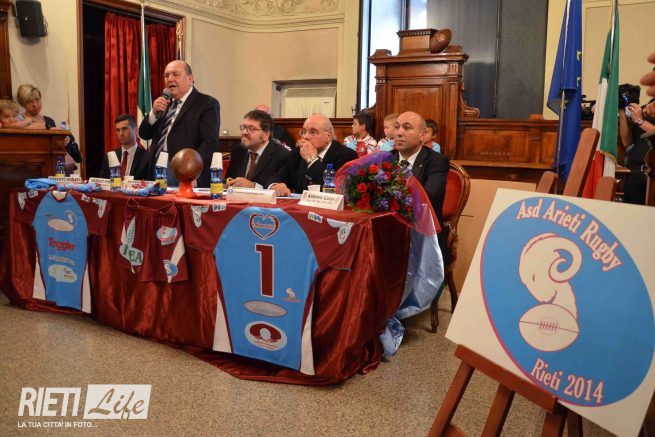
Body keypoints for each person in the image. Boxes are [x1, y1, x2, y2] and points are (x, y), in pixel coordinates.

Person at [139, 60, 220, 187]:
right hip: (156, 167)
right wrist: (153, 113)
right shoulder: (164, 104)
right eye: (166, 75)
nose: (170, 79)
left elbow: (209, 144)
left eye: (175, 74)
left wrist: (193, 172)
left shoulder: (206, 103)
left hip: (183, 171)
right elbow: (144, 134)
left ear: (190, 79)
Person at [393, 111, 451, 265]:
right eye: (397, 127)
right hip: (388, 236)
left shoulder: (436, 161)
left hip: (422, 237)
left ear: (423, 135)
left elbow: (428, 197)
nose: (399, 133)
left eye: (407, 128)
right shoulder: (386, 159)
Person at [269, 113, 357, 195]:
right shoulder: (297, 152)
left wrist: (312, 160)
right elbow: (277, 176)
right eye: (304, 132)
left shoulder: (347, 155)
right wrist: (275, 185)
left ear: (328, 136)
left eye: (313, 132)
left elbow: (334, 190)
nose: (306, 137)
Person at [226, 109, 291, 189]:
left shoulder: (282, 155)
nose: (244, 132)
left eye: (251, 129)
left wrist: (253, 186)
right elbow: (229, 179)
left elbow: (278, 188)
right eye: (243, 127)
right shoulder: (238, 151)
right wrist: (229, 182)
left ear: (266, 134)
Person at [618, 99, 655, 204]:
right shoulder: (645, 108)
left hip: (652, 173)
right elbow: (627, 142)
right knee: (632, 211)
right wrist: (622, 112)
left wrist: (639, 121)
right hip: (634, 171)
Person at [99, 114, 151, 180]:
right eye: (118, 130)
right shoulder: (109, 156)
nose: (121, 133)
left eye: (124, 129)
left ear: (136, 130)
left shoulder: (147, 158)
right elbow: (102, 182)